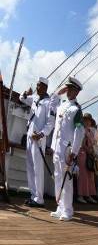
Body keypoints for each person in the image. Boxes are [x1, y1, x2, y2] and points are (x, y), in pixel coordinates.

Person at [50, 77, 85, 222]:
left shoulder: (76, 109)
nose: (68, 90)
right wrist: (58, 93)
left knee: (67, 180)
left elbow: (79, 132)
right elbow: (51, 105)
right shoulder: (62, 105)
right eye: (68, 88)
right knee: (58, 177)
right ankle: (60, 207)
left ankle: (68, 210)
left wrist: (74, 152)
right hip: (56, 147)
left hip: (67, 149)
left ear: (77, 91)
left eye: (71, 88)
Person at [20, 77, 59, 208]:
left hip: (39, 139)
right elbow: (22, 98)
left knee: (37, 168)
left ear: (45, 87)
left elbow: (50, 123)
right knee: (30, 166)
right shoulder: (34, 98)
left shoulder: (49, 103)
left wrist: (42, 134)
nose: (37, 88)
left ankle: (39, 198)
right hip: (30, 137)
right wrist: (26, 92)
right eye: (36, 85)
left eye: (39, 86)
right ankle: (33, 195)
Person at [76, 113, 98, 204]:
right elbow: (80, 143)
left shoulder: (90, 131)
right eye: (85, 120)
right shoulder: (81, 130)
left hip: (89, 155)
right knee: (83, 175)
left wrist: (93, 151)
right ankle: (80, 195)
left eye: (88, 120)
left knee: (90, 176)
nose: (87, 122)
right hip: (82, 154)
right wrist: (88, 149)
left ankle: (88, 195)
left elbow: (93, 144)